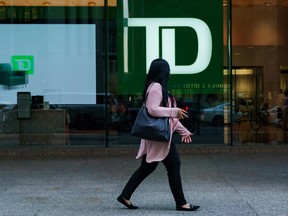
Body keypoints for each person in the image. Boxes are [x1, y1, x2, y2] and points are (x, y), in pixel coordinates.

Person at [117, 59, 200, 211]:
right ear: (163, 71)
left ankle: (125, 195)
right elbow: (152, 110)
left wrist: (183, 131)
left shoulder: (159, 88)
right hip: (159, 137)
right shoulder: (156, 87)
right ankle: (181, 203)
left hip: (158, 137)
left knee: (148, 167)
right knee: (173, 166)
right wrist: (174, 111)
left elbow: (169, 119)